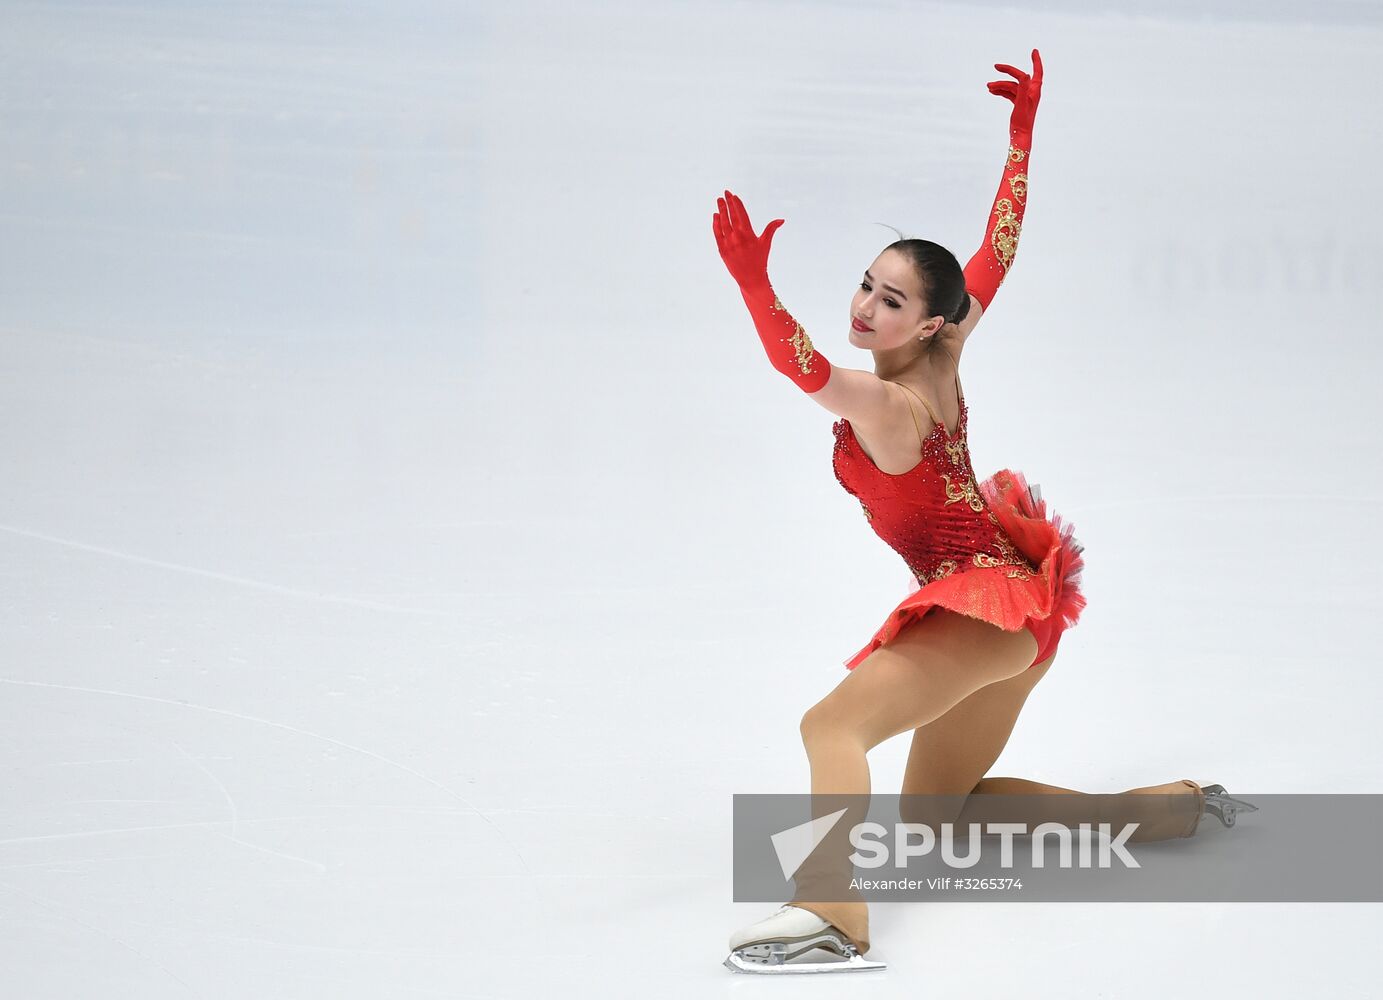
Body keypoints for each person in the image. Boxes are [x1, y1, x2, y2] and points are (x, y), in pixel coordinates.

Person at [713, 50, 1255, 975]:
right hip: (1018, 612)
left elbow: (799, 368)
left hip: (982, 605)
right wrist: (1019, 142)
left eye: (891, 300)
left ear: (928, 322)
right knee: (937, 824)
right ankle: (1172, 808)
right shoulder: (944, 350)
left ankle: (832, 920)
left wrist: (754, 290)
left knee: (829, 728)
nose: (866, 307)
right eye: (865, 286)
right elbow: (993, 255)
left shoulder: (889, 403)